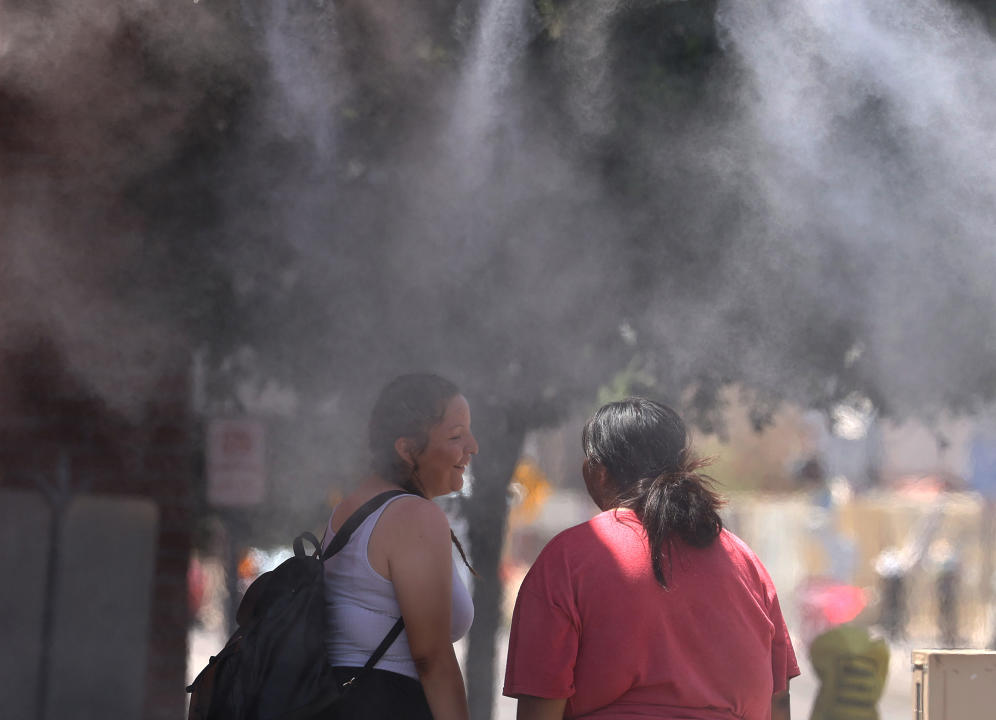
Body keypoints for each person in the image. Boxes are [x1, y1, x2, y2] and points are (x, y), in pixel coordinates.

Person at [503, 398, 799, 720]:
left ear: (597, 473)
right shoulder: (745, 561)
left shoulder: (567, 559)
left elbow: (538, 709)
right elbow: (777, 703)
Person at [322, 373, 478, 719]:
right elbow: (432, 659)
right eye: (456, 435)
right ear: (406, 449)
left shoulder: (350, 507)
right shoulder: (414, 516)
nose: (473, 446)